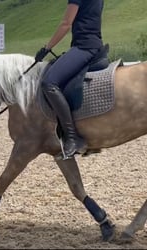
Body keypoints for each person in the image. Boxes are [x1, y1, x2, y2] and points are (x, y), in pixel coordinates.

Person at [34, 0, 105, 160]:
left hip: (84, 47)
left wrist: (46, 48)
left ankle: (73, 137)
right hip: (94, 44)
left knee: (49, 82)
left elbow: (66, 23)